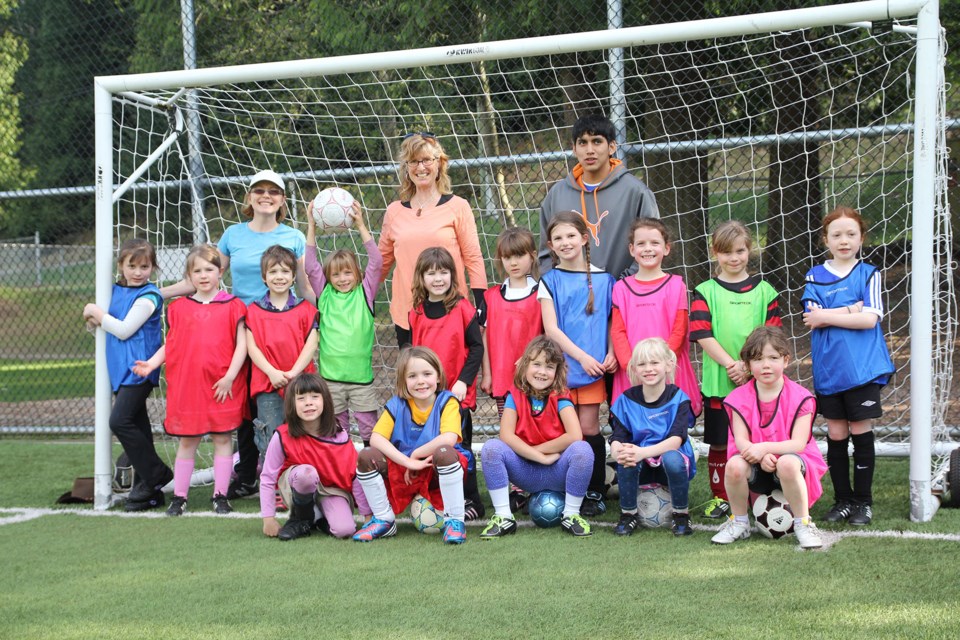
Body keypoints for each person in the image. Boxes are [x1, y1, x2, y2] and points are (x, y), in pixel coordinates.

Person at [161, 169, 308, 500]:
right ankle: (246, 475)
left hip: (280, 327)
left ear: (283, 200)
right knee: (243, 403)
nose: (266, 196)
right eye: (259, 190)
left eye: (274, 191)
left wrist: (323, 313)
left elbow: (304, 285)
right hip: (239, 328)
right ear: (250, 197)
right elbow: (206, 276)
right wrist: (158, 293)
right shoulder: (232, 235)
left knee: (278, 399)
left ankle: (289, 469)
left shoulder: (294, 236)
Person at [132, 245, 248, 515]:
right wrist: (151, 363)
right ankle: (180, 496)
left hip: (222, 385)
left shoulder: (234, 306)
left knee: (222, 439)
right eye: (197, 271)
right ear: (189, 276)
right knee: (188, 442)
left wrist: (230, 377)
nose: (204, 275)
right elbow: (171, 345)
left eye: (209, 269)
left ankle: (220, 495)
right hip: (189, 387)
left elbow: (242, 345)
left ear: (220, 272)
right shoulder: (179, 308)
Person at [802, 207, 895, 527]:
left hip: (863, 368)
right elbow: (812, 318)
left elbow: (869, 319)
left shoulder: (868, 273)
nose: (844, 240)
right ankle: (842, 500)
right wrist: (850, 308)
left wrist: (833, 314)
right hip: (830, 369)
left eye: (851, 234)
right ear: (825, 239)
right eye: (837, 235)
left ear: (861, 238)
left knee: (860, 430)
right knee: (837, 432)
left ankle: (863, 503)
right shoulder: (814, 275)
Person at [690, 220, 781, 520]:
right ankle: (720, 497)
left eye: (740, 251)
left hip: (757, 381)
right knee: (719, 441)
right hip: (720, 382)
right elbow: (703, 334)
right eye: (726, 252)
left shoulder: (765, 291)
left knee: (756, 440)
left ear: (749, 251)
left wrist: (748, 367)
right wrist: (731, 365)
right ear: (715, 253)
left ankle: (758, 492)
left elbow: (772, 335)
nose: (734, 258)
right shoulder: (705, 291)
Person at [711, 327, 827, 549]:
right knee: (734, 465)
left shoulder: (802, 398)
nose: (765, 365)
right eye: (758, 359)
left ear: (785, 360)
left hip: (793, 463)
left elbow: (798, 443)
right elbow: (742, 441)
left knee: (786, 462)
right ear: (746, 365)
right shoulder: (737, 398)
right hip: (756, 462)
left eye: (773, 358)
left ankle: (803, 523)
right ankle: (740, 522)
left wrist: (764, 449)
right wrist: (757, 455)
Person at [83, 238, 172, 511]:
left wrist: (96, 312)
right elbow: (101, 327)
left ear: (152, 267)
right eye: (131, 265)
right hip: (119, 370)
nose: (137, 271)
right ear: (120, 266)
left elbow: (123, 329)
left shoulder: (148, 296)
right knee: (140, 428)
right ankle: (149, 492)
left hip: (139, 369)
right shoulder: (114, 291)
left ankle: (157, 473)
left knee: (119, 421)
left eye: (144, 266)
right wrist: (94, 319)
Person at [378, 132, 488, 347]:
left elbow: (473, 258)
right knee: (416, 378)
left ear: (440, 164)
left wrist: (481, 306)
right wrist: (357, 296)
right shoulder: (394, 211)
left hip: (450, 309)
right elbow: (381, 263)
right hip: (408, 313)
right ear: (406, 168)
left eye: (427, 160)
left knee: (452, 375)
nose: (421, 167)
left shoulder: (458, 206)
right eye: (413, 161)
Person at [539, 211, 616, 516]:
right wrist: (581, 356)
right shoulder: (549, 281)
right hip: (561, 372)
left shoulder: (604, 279)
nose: (565, 242)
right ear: (551, 245)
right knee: (564, 431)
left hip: (594, 370)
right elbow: (551, 330)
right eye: (558, 238)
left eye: (571, 235)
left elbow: (611, 323)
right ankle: (567, 488)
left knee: (588, 428)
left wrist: (611, 352)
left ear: (584, 238)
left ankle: (595, 491)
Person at [479, 336, 594, 538]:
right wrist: (538, 457)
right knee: (491, 448)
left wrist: (538, 452)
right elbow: (506, 435)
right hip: (526, 471)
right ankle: (504, 516)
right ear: (524, 366)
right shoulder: (515, 395)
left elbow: (574, 435)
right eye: (536, 364)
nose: (542, 371)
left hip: (557, 469)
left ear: (557, 372)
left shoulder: (561, 394)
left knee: (583, 450)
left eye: (549, 367)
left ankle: (571, 514)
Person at [351, 346, 468, 544]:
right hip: (403, 470)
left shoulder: (447, 401)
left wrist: (416, 455)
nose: (421, 381)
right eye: (412, 376)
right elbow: (376, 438)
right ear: (403, 381)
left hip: (434, 468)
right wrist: (407, 461)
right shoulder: (398, 404)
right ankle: (384, 519)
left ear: (438, 377)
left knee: (445, 452)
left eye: (427, 374)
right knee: (366, 455)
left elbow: (449, 437)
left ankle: (454, 521)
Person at [408, 246, 485, 519]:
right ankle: (438, 495)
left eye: (443, 272)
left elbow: (476, 348)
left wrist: (464, 381)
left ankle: (472, 500)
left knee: (459, 448)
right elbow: (413, 356)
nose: (438, 278)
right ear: (421, 277)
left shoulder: (462, 308)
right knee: (435, 447)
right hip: (428, 396)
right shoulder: (416, 312)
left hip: (456, 394)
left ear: (453, 275)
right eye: (431, 273)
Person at [538, 113, 659, 280]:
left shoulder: (636, 192)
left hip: (622, 295)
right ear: (574, 149)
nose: (589, 150)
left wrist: (621, 287)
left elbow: (650, 248)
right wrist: (556, 286)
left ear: (611, 147)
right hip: (570, 297)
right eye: (582, 143)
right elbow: (546, 253)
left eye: (597, 141)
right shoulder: (556, 194)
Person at [303, 198, 382, 448]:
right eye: (336, 274)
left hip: (361, 380)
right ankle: (343, 469)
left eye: (347, 272)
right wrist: (312, 226)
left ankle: (373, 470)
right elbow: (310, 265)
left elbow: (377, 262)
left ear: (357, 274)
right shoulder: (324, 295)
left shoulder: (365, 293)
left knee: (369, 429)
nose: (342, 278)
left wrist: (360, 225)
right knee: (338, 430)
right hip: (331, 380)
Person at [260, 373, 371, 541]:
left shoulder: (340, 437)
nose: (308, 402)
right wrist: (268, 519)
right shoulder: (283, 435)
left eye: (314, 397)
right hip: (297, 484)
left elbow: (354, 476)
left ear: (325, 401)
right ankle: (301, 518)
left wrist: (367, 516)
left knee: (345, 530)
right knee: (307, 474)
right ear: (291, 404)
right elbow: (268, 477)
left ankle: (317, 518)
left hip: (330, 489)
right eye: (301, 398)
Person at [610, 218, 701, 416]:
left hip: (668, 368)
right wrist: (632, 366)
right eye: (641, 244)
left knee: (672, 424)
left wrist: (661, 365)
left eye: (654, 243)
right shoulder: (620, 288)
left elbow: (679, 329)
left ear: (666, 248)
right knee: (633, 424)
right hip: (633, 371)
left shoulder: (677, 285)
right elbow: (618, 331)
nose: (648, 248)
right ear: (632, 249)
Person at [609, 338, 697, 537]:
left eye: (654, 363)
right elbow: (618, 436)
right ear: (634, 368)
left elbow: (677, 439)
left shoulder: (679, 398)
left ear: (668, 365)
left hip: (670, 462)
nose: (648, 369)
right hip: (641, 464)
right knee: (626, 454)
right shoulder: (626, 400)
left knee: (672, 457)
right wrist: (619, 452)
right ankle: (628, 515)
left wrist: (642, 452)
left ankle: (681, 514)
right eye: (642, 364)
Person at [245, 245, 319, 455]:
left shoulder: (306, 309)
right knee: (272, 441)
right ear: (263, 277)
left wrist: (294, 373)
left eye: (285, 271)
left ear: (294, 276)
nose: (279, 277)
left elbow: (311, 344)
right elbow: (252, 348)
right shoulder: (253, 311)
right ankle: (274, 484)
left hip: (301, 385)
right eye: (273, 271)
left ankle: (305, 482)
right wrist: (271, 372)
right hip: (268, 386)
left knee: (305, 436)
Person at [480, 226, 543, 418]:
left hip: (536, 379)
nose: (513, 263)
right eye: (507, 257)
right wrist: (488, 374)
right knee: (508, 432)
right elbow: (483, 338)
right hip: (502, 377)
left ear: (532, 256)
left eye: (519, 256)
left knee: (535, 429)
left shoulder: (543, 293)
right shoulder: (491, 296)